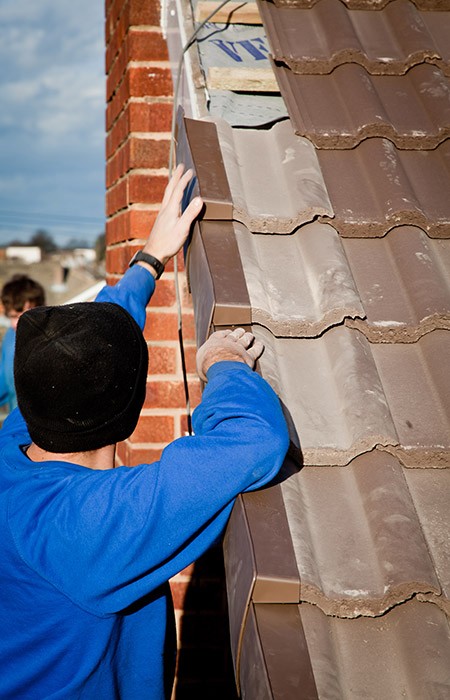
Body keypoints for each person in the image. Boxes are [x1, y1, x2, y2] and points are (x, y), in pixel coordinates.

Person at [0, 165, 289, 699]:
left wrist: (148, 262)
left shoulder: (15, 444)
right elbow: (253, 442)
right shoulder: (92, 524)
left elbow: (79, 351)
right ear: (127, 410)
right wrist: (224, 362)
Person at [0, 274, 46, 413]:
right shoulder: (10, 336)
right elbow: (3, 382)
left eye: (21, 315)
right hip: (15, 423)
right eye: (12, 316)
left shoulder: (51, 344)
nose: (15, 323)